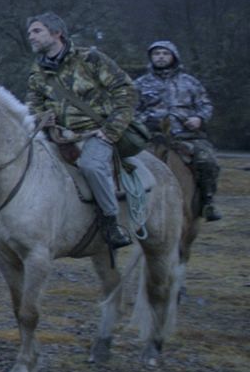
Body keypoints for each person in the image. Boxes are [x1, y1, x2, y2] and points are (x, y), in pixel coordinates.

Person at [22, 13, 138, 249]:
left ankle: (110, 221)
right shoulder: (38, 70)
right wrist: (40, 117)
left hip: (95, 132)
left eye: (36, 31)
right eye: (30, 32)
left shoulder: (90, 59)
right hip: (56, 135)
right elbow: (33, 103)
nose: (30, 37)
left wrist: (111, 130)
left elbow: (126, 90)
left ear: (56, 33)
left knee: (91, 166)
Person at [135, 40, 222, 221]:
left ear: (173, 57)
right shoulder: (140, 84)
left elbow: (205, 105)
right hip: (150, 137)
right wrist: (145, 121)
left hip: (186, 136)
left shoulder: (190, 82)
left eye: (165, 53)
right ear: (151, 57)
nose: (160, 57)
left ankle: (208, 201)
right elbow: (129, 110)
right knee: (122, 159)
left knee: (208, 160)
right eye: (156, 53)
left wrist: (199, 119)